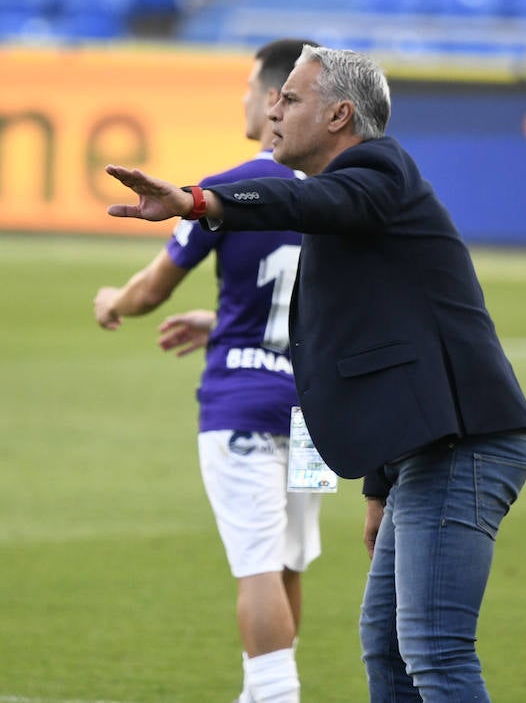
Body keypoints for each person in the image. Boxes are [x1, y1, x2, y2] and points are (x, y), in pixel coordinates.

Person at [105, 44, 526, 702]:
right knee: (389, 648)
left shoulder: (378, 170)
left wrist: (199, 200)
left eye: (290, 99)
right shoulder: (350, 208)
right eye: (274, 96)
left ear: (339, 115)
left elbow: (303, 207)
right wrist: (378, 488)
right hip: (423, 452)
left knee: (435, 652)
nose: (272, 110)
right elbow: (385, 353)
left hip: (464, 447)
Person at [93, 38, 322, 703]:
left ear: (277, 98)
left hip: (242, 401)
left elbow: (153, 289)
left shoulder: (232, 189)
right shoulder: (343, 196)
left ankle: (275, 695)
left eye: (252, 88)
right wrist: (222, 320)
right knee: (290, 560)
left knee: (256, 566)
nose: (245, 101)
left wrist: (114, 301)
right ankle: (265, 693)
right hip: (314, 415)